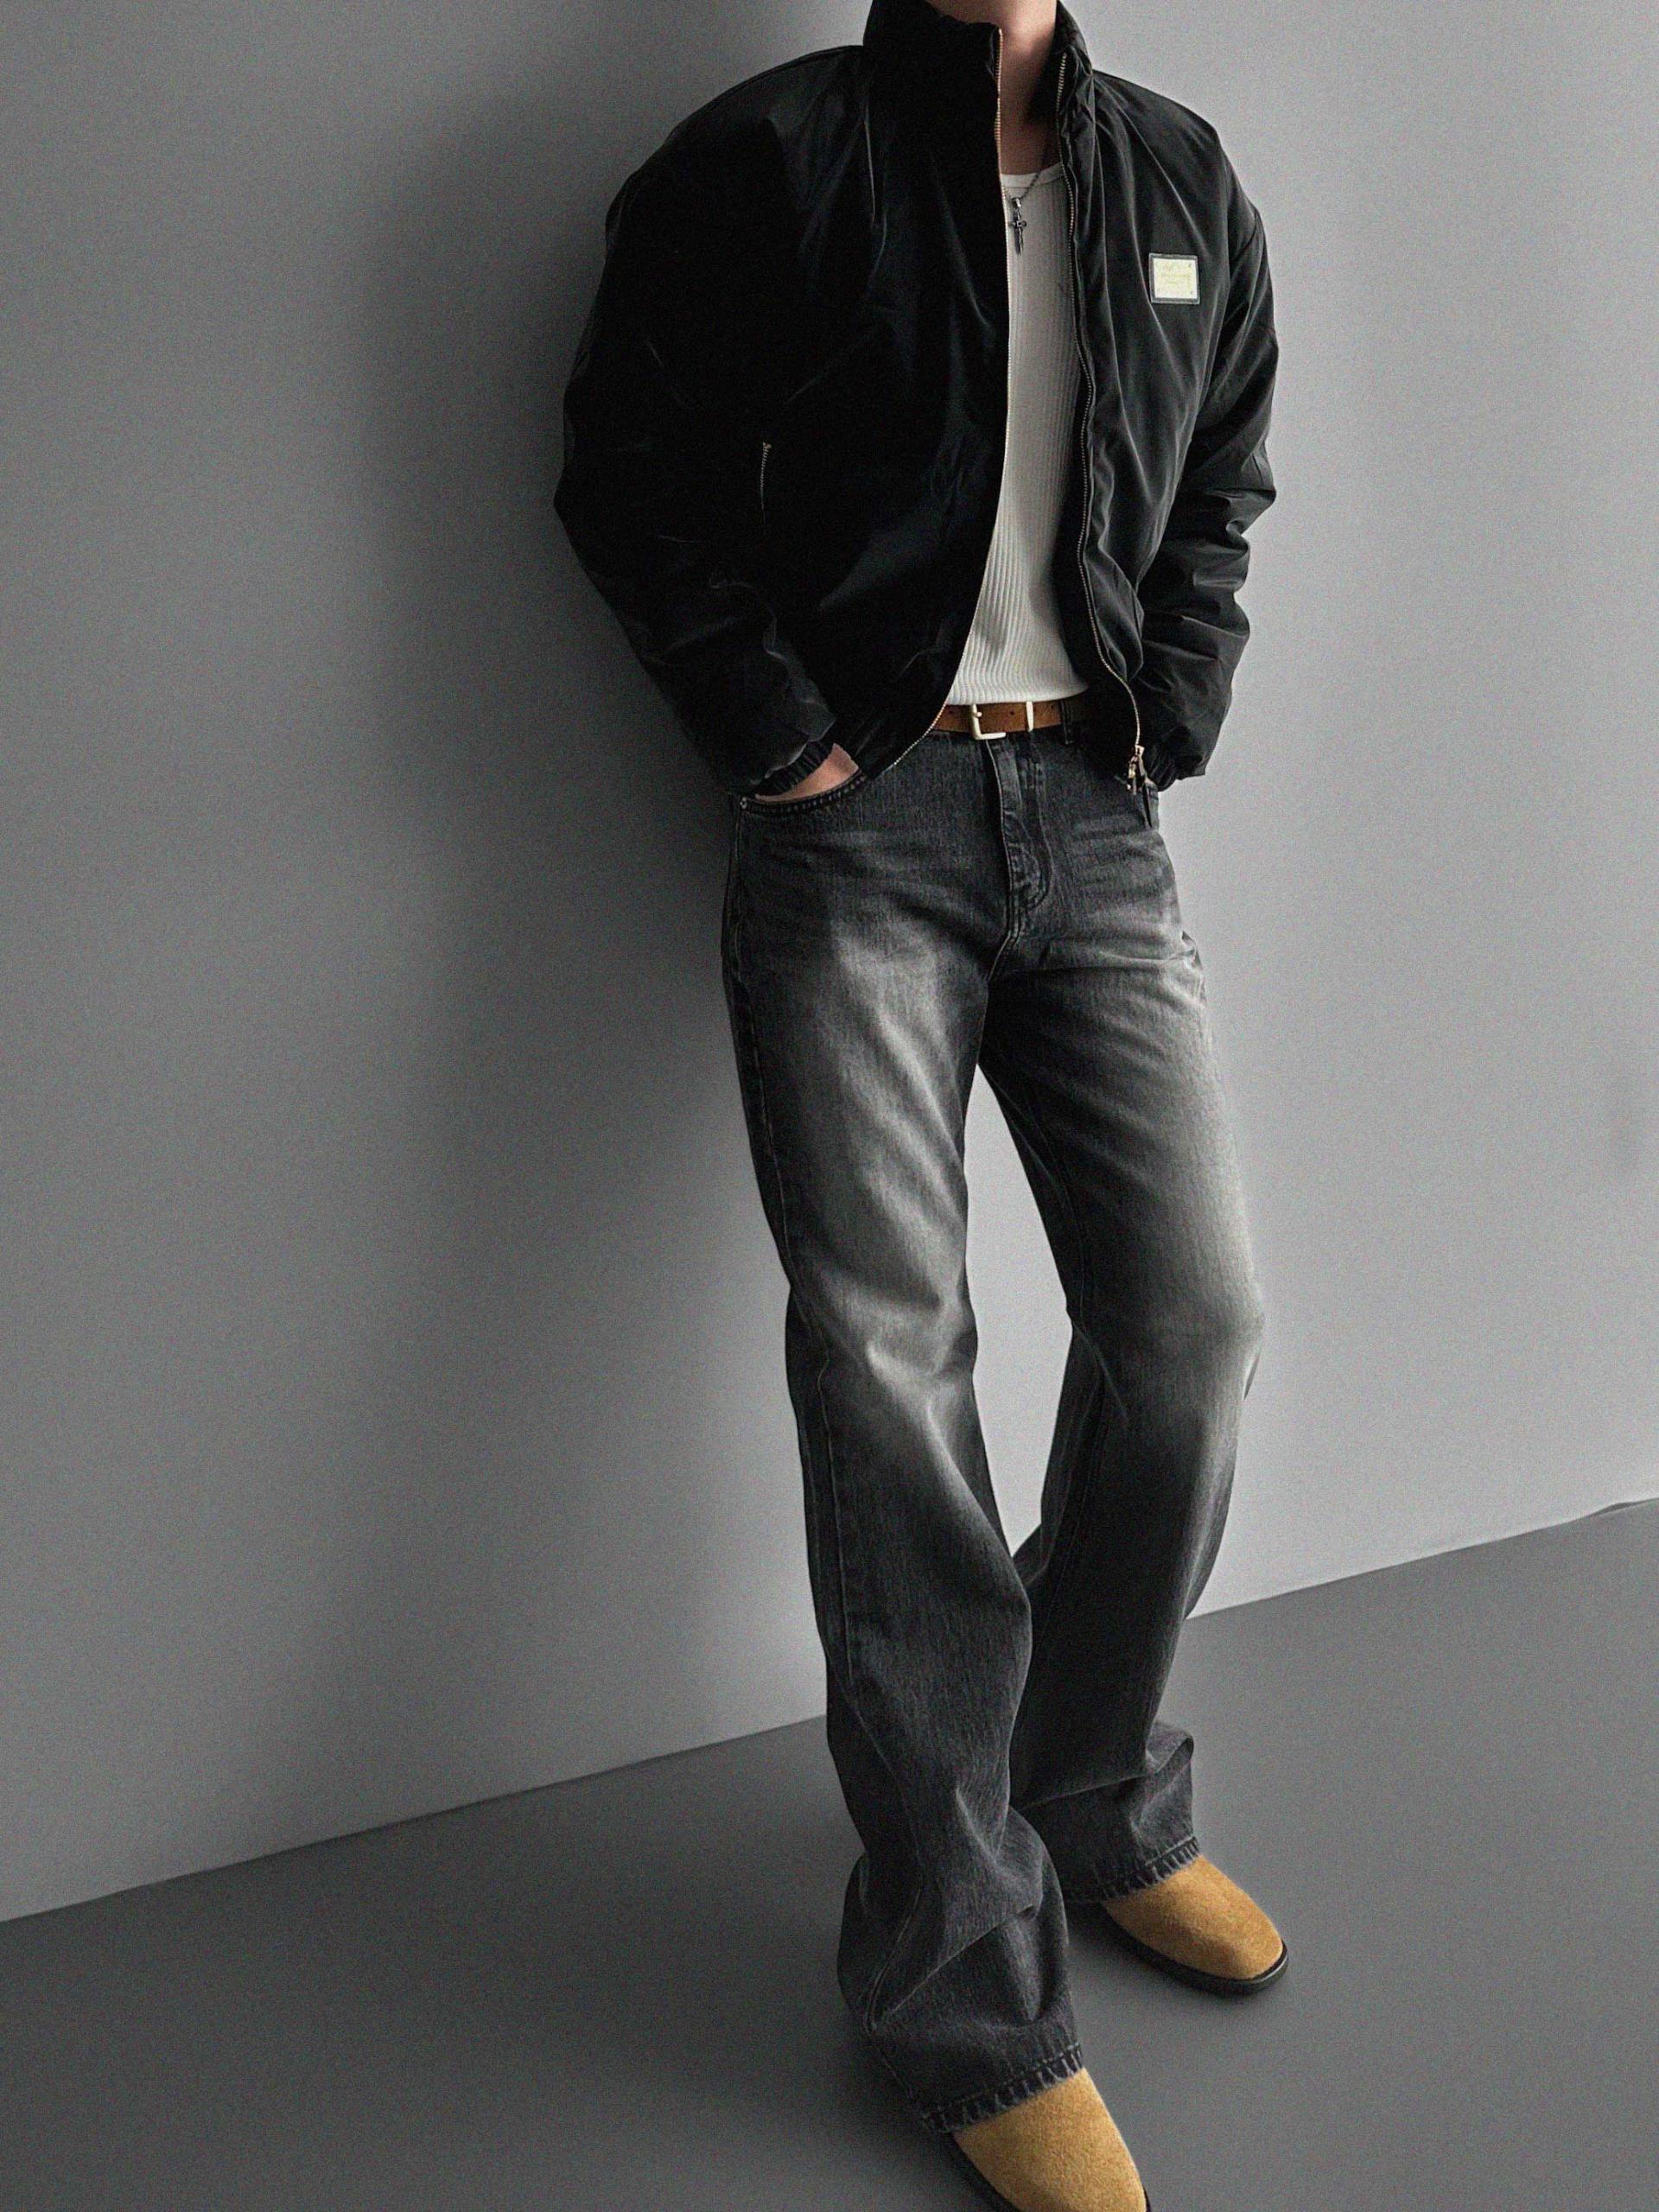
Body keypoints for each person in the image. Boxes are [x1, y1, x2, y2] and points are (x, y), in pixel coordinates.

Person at [553, 1, 1285, 2204]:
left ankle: (1090, 1792)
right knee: (891, 1364)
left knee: (1194, 1330)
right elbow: (630, 468)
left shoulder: (1178, 176)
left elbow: (1222, 473)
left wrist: (1175, 698)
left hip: (1097, 816)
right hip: (859, 832)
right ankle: (963, 1985)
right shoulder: (769, 161)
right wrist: (782, 740)